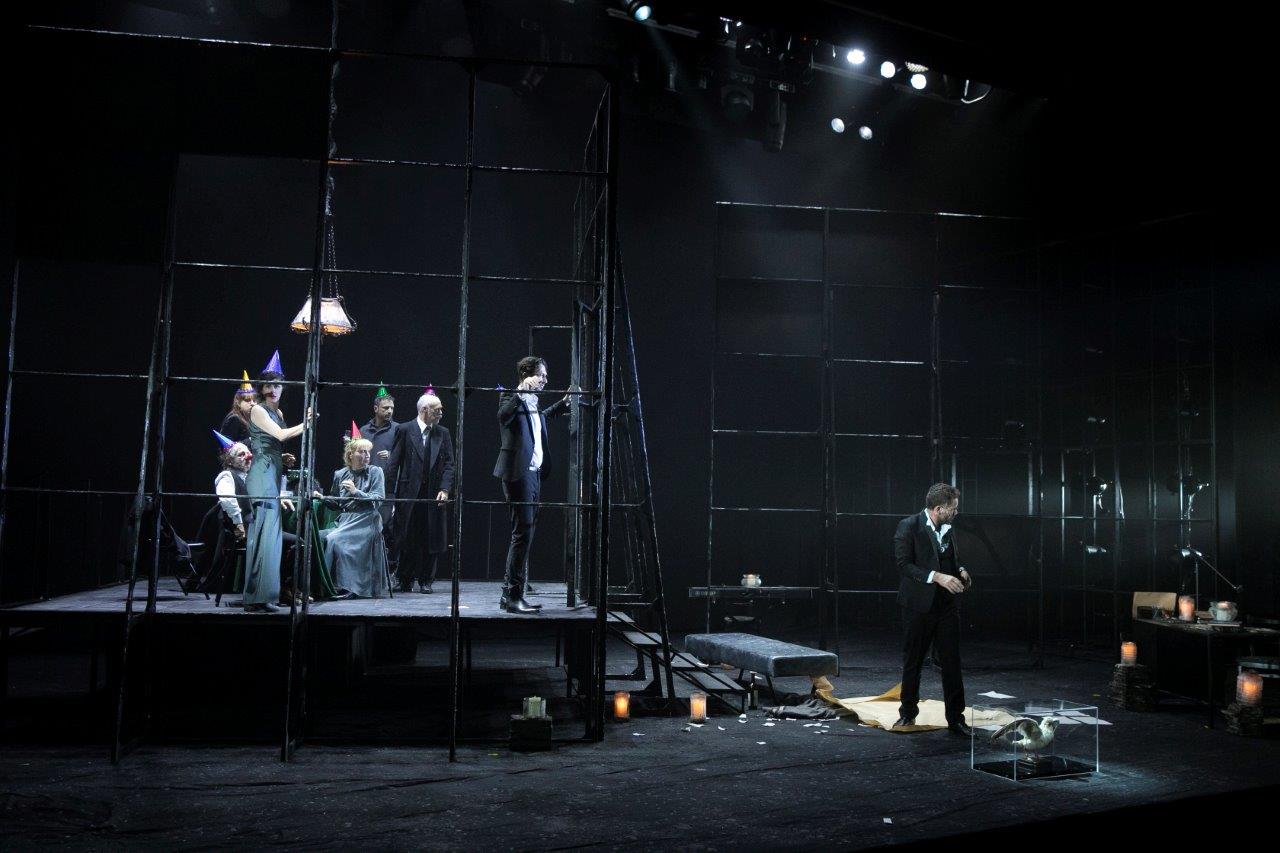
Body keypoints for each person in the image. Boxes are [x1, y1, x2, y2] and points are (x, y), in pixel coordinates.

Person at [893, 482, 973, 735]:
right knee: (913, 660)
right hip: (918, 606)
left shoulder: (948, 527)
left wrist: (961, 570)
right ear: (938, 509)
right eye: (953, 508)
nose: (956, 512)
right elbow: (904, 564)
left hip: (946, 605)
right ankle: (907, 714)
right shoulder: (909, 526)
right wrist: (937, 577)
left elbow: (951, 558)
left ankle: (956, 719)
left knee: (952, 662)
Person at [493, 356, 568, 614]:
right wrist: (521, 393)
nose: (546, 380)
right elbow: (503, 415)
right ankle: (513, 595)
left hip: (534, 475)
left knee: (526, 534)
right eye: (541, 375)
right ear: (527, 374)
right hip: (518, 473)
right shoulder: (510, 396)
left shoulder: (534, 402)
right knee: (522, 533)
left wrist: (563, 403)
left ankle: (510, 594)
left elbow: (540, 420)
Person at [243, 350, 312, 613]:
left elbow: (271, 443)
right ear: (261, 388)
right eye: (268, 385)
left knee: (271, 537)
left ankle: (267, 594)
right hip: (261, 474)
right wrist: (306, 424)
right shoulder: (258, 410)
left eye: (277, 385)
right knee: (263, 534)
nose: (273, 390)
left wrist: (281, 457)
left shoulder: (278, 412)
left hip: (272, 470)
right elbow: (280, 436)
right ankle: (255, 597)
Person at [387, 390, 454, 593]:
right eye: (437, 409)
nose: (441, 412)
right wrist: (389, 495)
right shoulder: (405, 430)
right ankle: (404, 579)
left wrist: (445, 489)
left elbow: (449, 464)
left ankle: (426, 580)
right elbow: (394, 462)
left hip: (433, 494)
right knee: (407, 537)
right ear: (424, 409)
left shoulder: (443, 433)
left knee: (431, 538)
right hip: (409, 493)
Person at [313, 433, 388, 599]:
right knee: (318, 537)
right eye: (362, 451)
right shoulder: (340, 474)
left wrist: (356, 492)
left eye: (368, 452)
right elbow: (337, 503)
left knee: (334, 540)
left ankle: (347, 587)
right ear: (350, 455)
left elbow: (378, 500)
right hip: (345, 521)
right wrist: (322, 498)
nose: (366, 455)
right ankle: (321, 586)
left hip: (367, 520)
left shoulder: (376, 472)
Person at [360, 385, 398, 534]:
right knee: (365, 528)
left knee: (384, 526)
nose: (390, 411)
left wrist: (391, 454)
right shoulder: (364, 430)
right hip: (365, 486)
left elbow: (407, 456)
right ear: (376, 409)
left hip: (387, 487)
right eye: (386, 408)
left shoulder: (398, 429)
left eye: (392, 408)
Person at [217, 371, 257, 445]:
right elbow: (227, 445)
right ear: (238, 403)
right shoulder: (234, 418)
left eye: (254, 400)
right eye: (247, 400)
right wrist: (252, 440)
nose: (252, 403)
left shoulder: (251, 418)